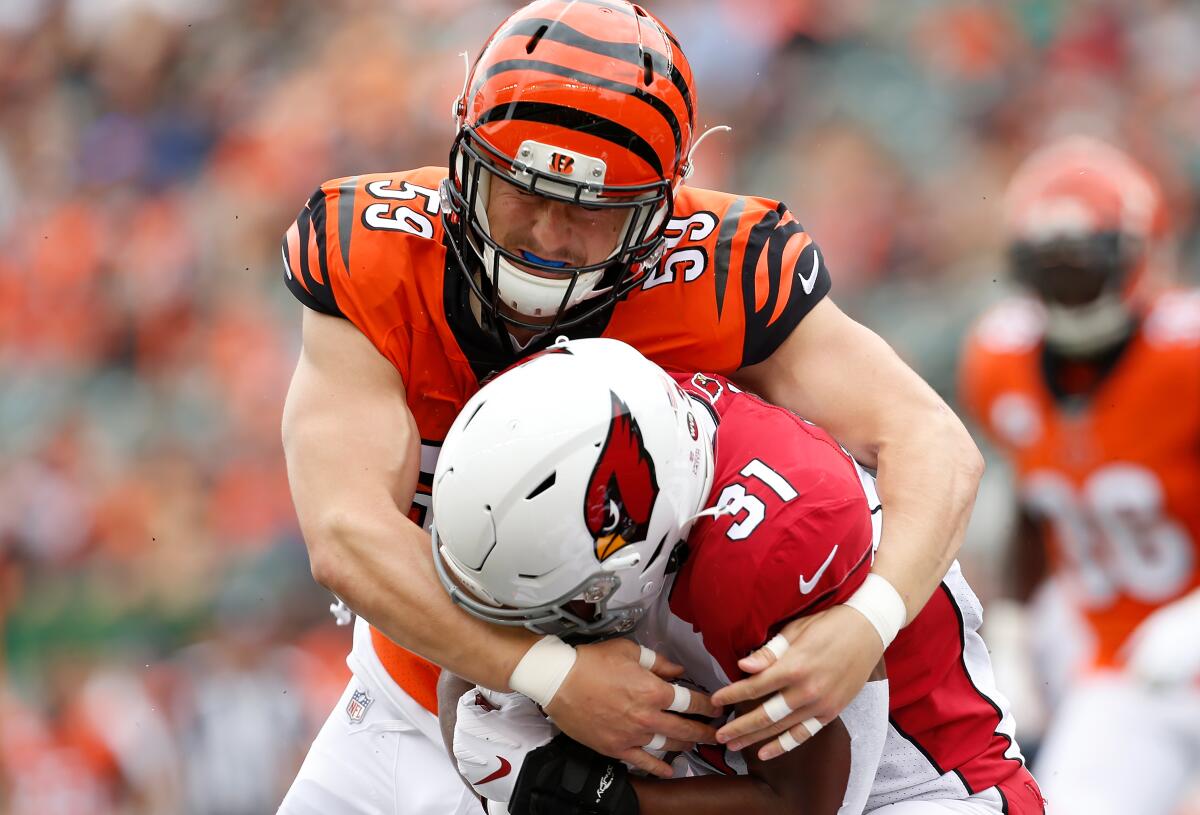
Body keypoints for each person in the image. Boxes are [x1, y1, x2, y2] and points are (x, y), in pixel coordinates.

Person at [277, 1, 984, 811]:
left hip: (636, 728)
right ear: (466, 159)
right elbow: (345, 534)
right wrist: (548, 672)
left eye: (590, 207)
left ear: (659, 210)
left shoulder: (721, 270)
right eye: (517, 188)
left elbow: (931, 440)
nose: (545, 232)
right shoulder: (376, 251)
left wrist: (870, 617)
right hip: (422, 694)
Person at [433, 337, 1043, 815]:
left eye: (562, 603)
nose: (530, 628)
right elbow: (470, 672)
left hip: (925, 790)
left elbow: (809, 803)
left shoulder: (771, 546)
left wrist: (591, 797)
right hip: (728, 770)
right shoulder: (592, 427)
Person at [959, 135, 1200, 815]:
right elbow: (1038, 504)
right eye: (1049, 268)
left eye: (1082, 266)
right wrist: (1011, 625)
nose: (1065, 287)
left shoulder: (1185, 353)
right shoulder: (1000, 359)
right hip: (1122, 667)